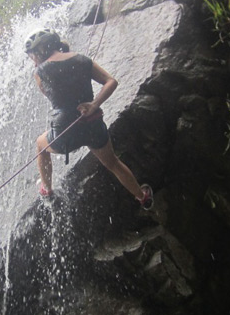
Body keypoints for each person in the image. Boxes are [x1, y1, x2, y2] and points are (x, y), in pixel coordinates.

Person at [25, 28, 154, 210]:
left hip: (65, 131)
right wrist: (94, 104)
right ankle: (142, 197)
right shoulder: (82, 59)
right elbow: (111, 81)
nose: (33, 60)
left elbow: (52, 96)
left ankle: (47, 190)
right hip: (93, 124)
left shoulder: (40, 72)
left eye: (33, 55)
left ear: (41, 51)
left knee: (41, 146)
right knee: (113, 163)